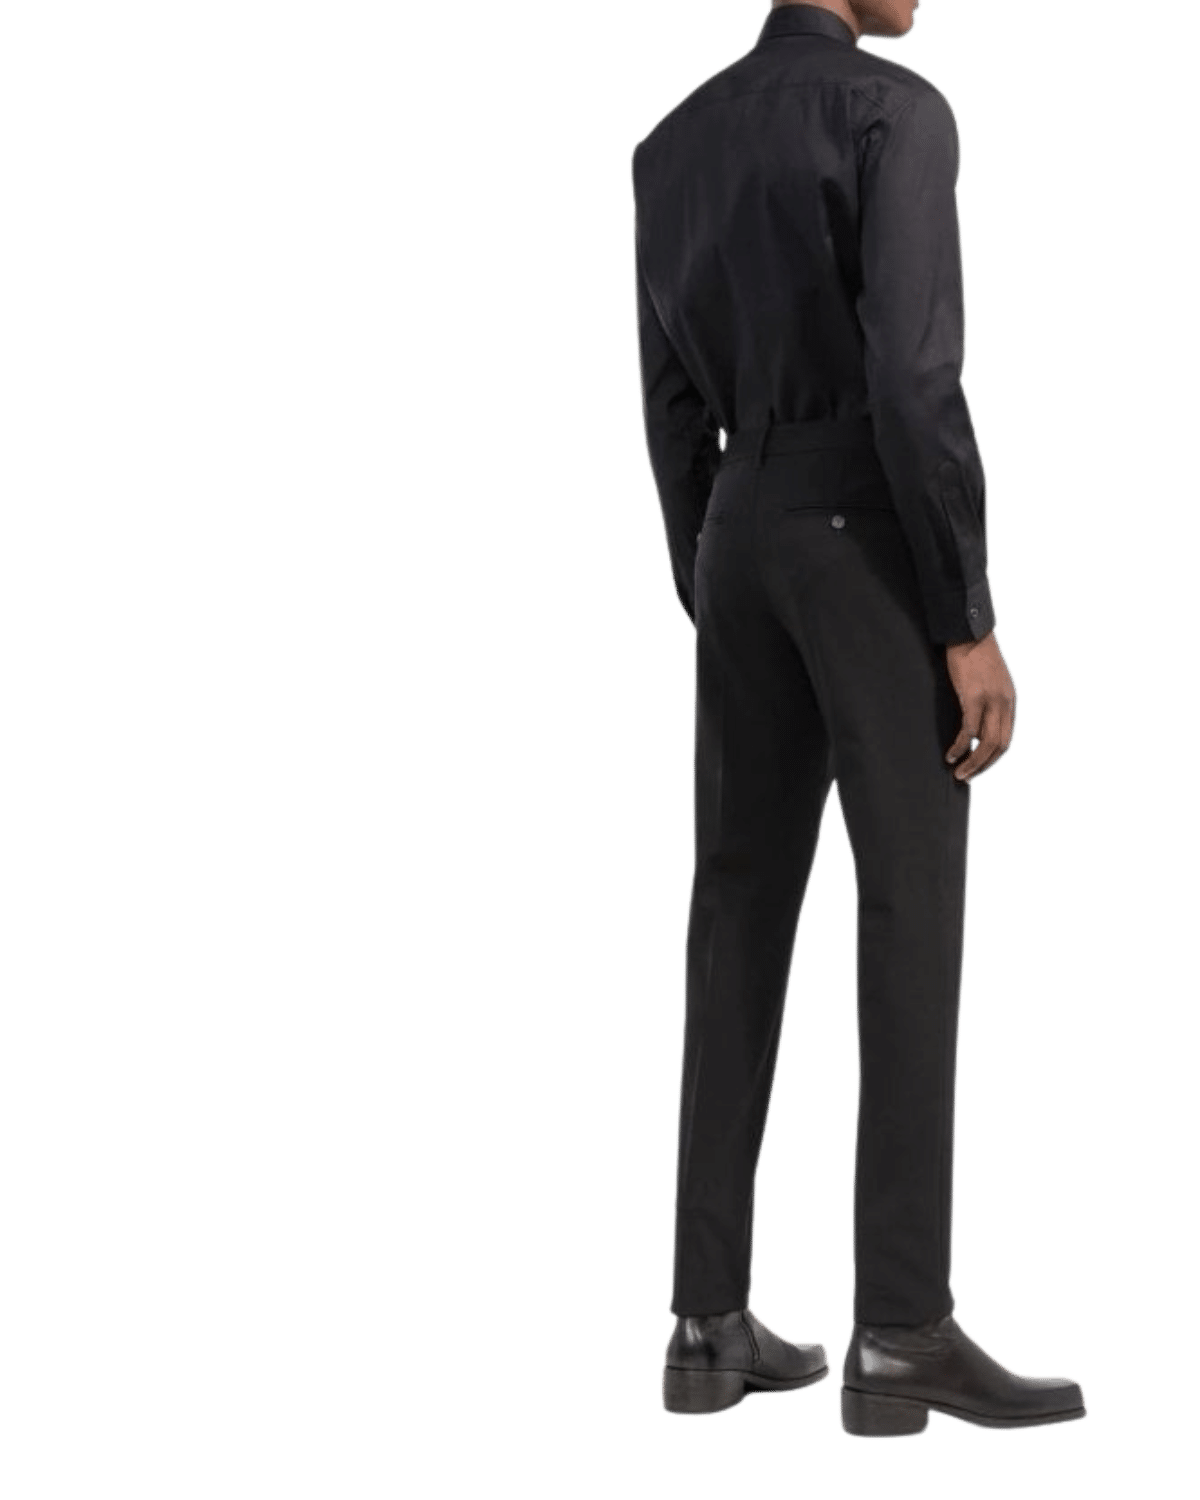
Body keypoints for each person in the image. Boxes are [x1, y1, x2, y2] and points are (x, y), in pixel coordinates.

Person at [629, 1, 1087, 1437]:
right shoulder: (898, 112)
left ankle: (704, 1325)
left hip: (737, 528)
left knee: (734, 912)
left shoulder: (671, 144)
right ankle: (901, 1328)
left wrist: (721, 579)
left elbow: (668, 406)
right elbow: (914, 377)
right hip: (863, 529)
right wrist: (965, 613)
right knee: (909, 907)